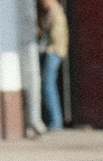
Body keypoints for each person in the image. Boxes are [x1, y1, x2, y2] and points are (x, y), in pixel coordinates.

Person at [35, 0, 67, 131]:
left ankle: (55, 121)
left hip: (54, 52)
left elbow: (57, 36)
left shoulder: (55, 12)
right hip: (54, 51)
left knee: (48, 84)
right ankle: (54, 120)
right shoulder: (52, 12)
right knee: (48, 84)